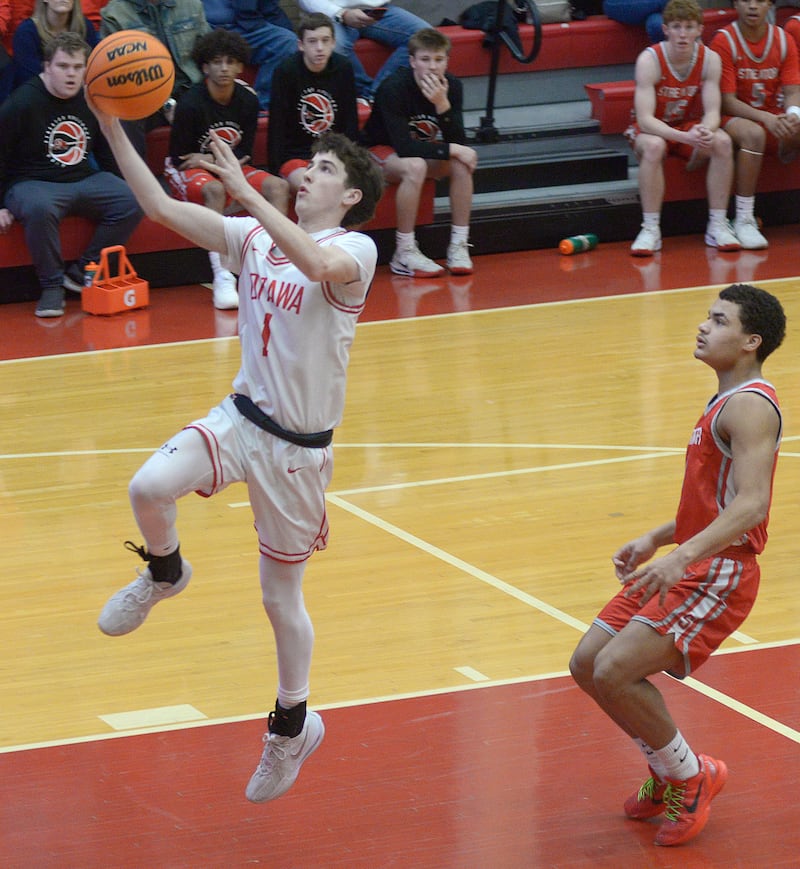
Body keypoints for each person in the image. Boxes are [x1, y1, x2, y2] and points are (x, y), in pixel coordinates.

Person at [89, 85, 384, 801]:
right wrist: (111, 123)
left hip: (297, 451)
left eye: (324, 170)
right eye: (309, 164)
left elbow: (315, 267)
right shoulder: (253, 236)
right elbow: (159, 208)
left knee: (280, 597)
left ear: (349, 197)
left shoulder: (356, 249)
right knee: (147, 487)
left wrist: (247, 194)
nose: (307, 173)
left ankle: (293, 726)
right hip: (240, 418)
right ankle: (165, 572)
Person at [569, 282, 785, 847]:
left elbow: (751, 506)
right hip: (690, 561)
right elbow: (714, 501)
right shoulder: (723, 401)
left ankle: (691, 777)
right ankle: (669, 770)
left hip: (719, 572)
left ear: (751, 341)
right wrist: (656, 538)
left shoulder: (750, 406)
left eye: (720, 320)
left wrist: (681, 555)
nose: (704, 326)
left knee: (615, 671)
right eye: (707, 316)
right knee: (587, 663)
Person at [0, 31, 142, 317]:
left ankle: (83, 270)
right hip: (32, 182)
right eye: (63, 66)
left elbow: (105, 152)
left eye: (78, 67)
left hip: (82, 178)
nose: (71, 74)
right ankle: (51, 286)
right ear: (46, 67)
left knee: (133, 200)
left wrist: (122, 184)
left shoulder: (91, 98)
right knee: (40, 208)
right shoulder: (21, 103)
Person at [165, 28, 289, 309]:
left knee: (279, 187)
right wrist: (212, 163)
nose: (224, 68)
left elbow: (244, 154)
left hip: (222, 164)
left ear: (240, 66)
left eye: (230, 62)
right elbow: (180, 158)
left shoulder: (248, 101)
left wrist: (208, 157)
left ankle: (273, 266)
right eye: (217, 62)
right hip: (183, 170)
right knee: (214, 189)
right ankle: (222, 276)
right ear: (205, 67)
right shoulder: (190, 103)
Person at [626, 0, 741, 257]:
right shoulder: (649, 60)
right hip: (651, 129)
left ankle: (718, 225)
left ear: (700, 29)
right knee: (654, 146)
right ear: (665, 30)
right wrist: (684, 137)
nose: (682, 34)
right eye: (676, 27)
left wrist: (705, 130)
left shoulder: (710, 59)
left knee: (722, 141)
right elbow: (645, 120)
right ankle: (650, 229)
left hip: (686, 125)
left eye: (689, 27)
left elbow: (713, 112)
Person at [360, 27, 476, 277]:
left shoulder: (453, 86)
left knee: (461, 163)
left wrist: (442, 105)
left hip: (419, 153)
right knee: (416, 165)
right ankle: (404, 252)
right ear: (412, 61)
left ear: (447, 61)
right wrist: (455, 148)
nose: (432, 67)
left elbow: (458, 141)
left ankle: (458, 245)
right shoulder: (394, 87)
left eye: (438, 59)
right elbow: (404, 147)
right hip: (378, 153)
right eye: (425, 59)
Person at [709, 0, 800, 250]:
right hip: (730, 117)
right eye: (746, 0)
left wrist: (793, 114)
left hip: (770, 115)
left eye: (759, 1)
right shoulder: (724, 40)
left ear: (769, 4)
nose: (752, 6)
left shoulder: (783, 39)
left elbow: (793, 91)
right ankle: (744, 218)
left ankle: (786, 147)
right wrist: (766, 118)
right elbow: (727, 102)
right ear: (735, 4)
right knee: (754, 133)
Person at [100, 0, 211, 151]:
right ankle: (134, 167)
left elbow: (209, 51)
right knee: (126, 114)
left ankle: (215, 160)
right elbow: (119, 74)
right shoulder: (114, 14)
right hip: (144, 95)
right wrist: (167, 103)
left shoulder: (191, 4)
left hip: (190, 90)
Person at [268, 12, 358, 196]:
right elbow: (277, 125)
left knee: (352, 188)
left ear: (333, 43)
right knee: (317, 190)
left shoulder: (343, 68)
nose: (320, 48)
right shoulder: (286, 71)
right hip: (295, 156)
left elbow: (350, 120)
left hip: (333, 154)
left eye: (325, 40)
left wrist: (348, 158)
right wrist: (275, 169)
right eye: (312, 41)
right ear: (301, 45)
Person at [297, 0, 431, 101]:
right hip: (329, 15)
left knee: (426, 38)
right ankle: (364, 93)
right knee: (334, 46)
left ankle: (376, 95)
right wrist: (342, 14)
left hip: (377, 10)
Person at [202, 0, 298, 109]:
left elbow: (271, 9)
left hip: (248, 28)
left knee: (287, 41)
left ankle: (261, 104)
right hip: (208, 27)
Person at [12, 0, 99, 89]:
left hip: (79, 89)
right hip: (38, 91)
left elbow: (94, 65)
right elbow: (28, 76)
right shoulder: (26, 32)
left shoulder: (85, 27)